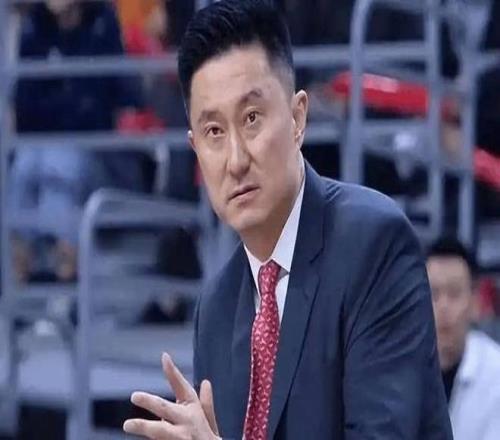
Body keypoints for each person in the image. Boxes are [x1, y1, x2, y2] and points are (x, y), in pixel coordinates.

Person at [123, 1, 453, 439]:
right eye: (214, 132)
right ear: (195, 148)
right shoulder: (217, 308)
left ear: (298, 118)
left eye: (252, 119)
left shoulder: (373, 244)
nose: (236, 160)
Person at [11, 0, 146, 282]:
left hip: (94, 150)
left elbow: (104, 100)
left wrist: (61, 106)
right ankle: (22, 284)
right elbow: (25, 107)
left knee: (61, 162)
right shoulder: (34, 26)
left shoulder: (102, 22)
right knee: (23, 166)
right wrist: (67, 105)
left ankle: (63, 277)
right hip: (43, 145)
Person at [427, 237, 500, 440]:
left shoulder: (495, 374)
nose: (443, 307)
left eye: (454, 293)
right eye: (433, 294)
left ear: (475, 302)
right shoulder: (398, 368)